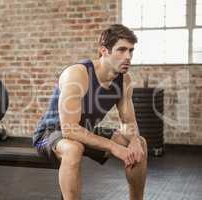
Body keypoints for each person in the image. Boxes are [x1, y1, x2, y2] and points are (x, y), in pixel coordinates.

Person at [33, 24, 147, 200]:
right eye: (121, 50)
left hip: (84, 130)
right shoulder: (78, 74)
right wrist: (114, 147)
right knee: (73, 148)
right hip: (50, 133)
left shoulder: (124, 80)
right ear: (104, 51)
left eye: (131, 51)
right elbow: (69, 129)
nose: (128, 57)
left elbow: (128, 122)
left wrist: (133, 142)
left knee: (140, 144)